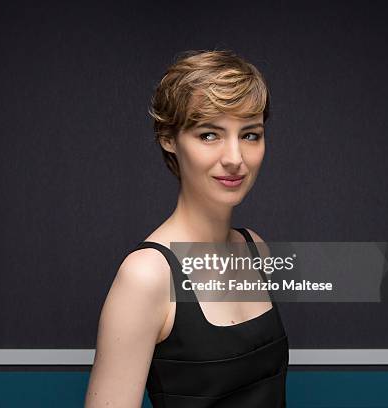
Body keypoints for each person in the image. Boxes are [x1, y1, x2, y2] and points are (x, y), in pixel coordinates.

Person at [85, 50, 289, 407]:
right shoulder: (147, 276)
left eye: (250, 135)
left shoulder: (255, 249)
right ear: (169, 138)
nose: (235, 158)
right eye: (209, 135)